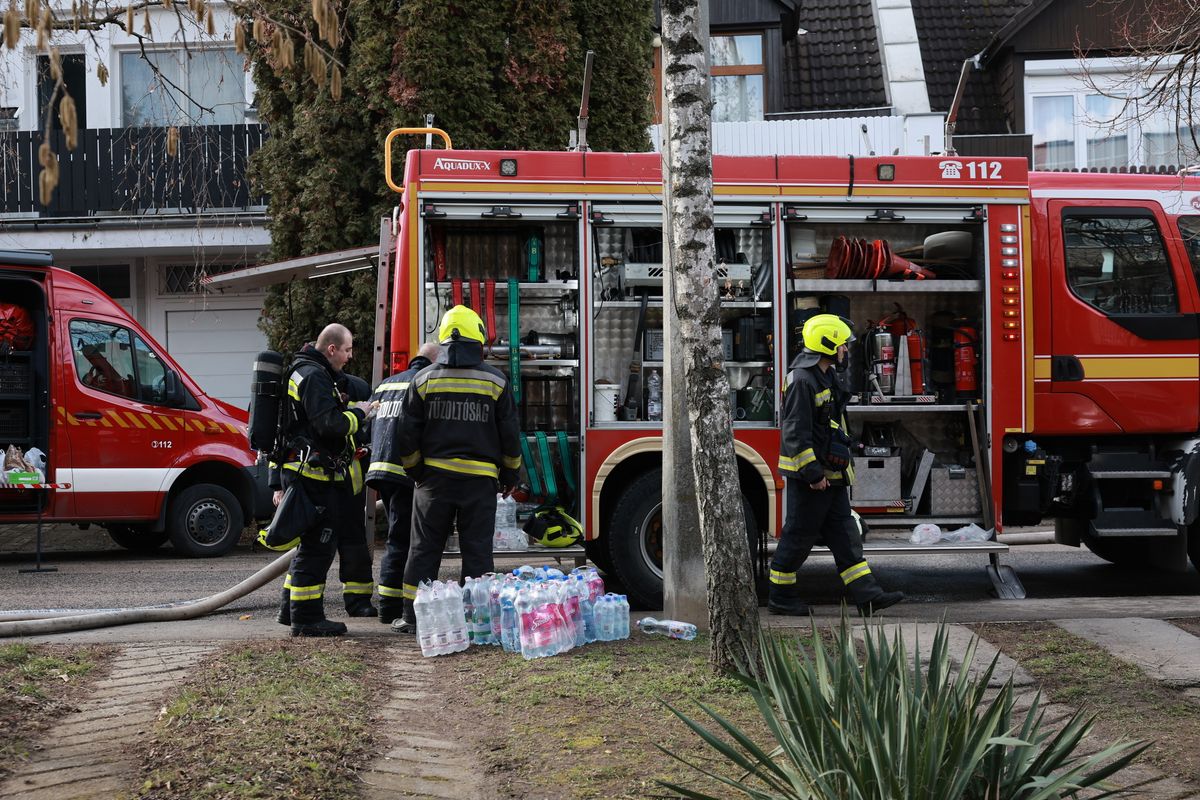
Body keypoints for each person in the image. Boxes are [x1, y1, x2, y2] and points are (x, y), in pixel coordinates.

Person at [391, 306, 522, 634]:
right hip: (479, 483)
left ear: (444, 338)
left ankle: (412, 617)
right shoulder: (496, 380)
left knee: (423, 550)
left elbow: (405, 434)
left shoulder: (423, 379)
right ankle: (476, 620)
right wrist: (508, 477)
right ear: (478, 336)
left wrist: (417, 473)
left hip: (434, 481)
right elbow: (510, 436)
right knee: (477, 551)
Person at [771, 314, 904, 617]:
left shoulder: (825, 375)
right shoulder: (802, 381)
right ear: (827, 344)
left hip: (831, 475)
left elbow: (828, 423)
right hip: (812, 478)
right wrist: (813, 474)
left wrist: (848, 446)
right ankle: (781, 596)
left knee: (845, 534)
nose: (845, 349)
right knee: (799, 536)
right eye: (842, 344)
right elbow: (795, 432)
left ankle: (868, 595)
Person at [270, 323, 369, 637]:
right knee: (320, 546)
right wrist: (361, 413)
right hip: (314, 476)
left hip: (302, 471)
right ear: (332, 349)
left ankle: (290, 610)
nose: (350, 357)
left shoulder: (302, 371)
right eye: (348, 350)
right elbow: (329, 424)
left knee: (310, 545)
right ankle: (307, 618)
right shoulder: (314, 376)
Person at [366, 341, 441, 625]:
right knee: (407, 541)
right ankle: (394, 605)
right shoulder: (425, 382)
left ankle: (387, 605)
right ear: (434, 361)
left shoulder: (386, 384)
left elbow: (369, 424)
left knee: (396, 537)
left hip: (381, 470)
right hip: (406, 472)